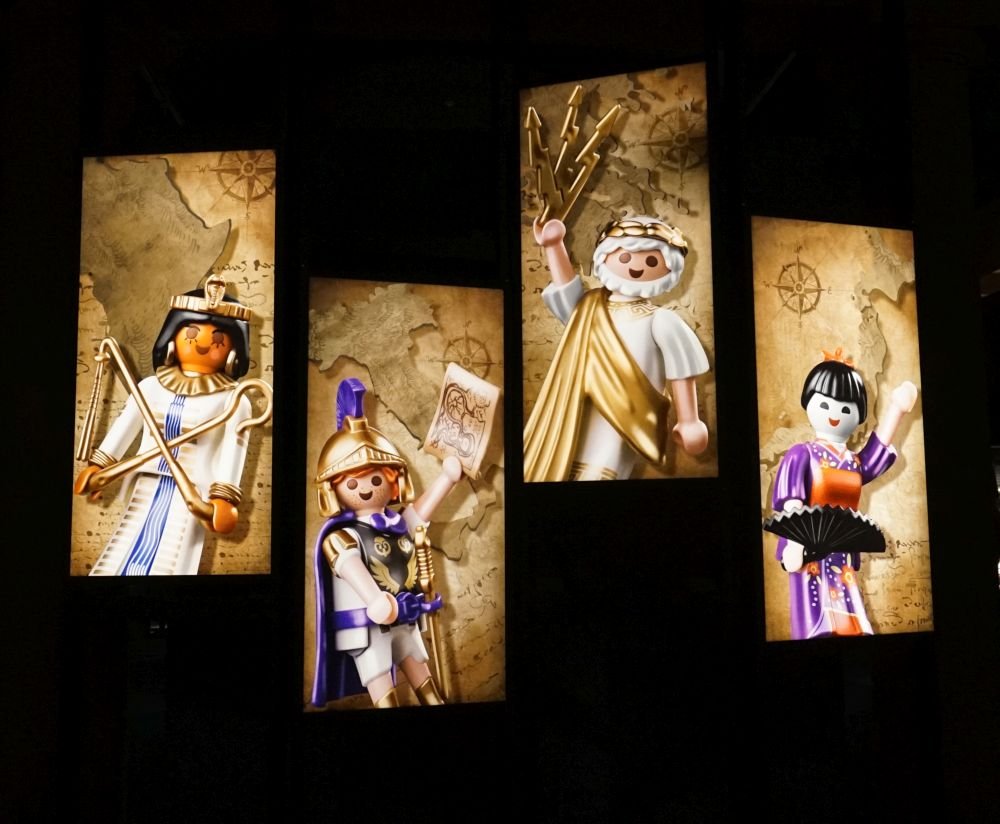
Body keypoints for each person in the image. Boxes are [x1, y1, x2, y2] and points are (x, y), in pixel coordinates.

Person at [74, 274, 257, 576]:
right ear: (172, 337)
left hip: (192, 495)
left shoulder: (234, 400)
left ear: (233, 350)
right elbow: (124, 429)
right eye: (192, 332)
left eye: (217, 339)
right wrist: (100, 466)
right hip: (143, 484)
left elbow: (232, 453)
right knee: (122, 551)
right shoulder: (150, 388)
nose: (202, 343)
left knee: (171, 561)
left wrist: (223, 499)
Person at [312, 378, 462, 709]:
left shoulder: (397, 524)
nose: (366, 488)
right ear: (333, 490)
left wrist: (447, 479)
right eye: (353, 483)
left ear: (394, 480)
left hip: (405, 623)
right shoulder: (341, 537)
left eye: (376, 479)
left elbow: (420, 514)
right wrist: (376, 600)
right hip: (369, 630)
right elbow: (350, 567)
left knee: (429, 692)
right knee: (385, 700)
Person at [523, 215, 710, 482]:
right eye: (625, 257)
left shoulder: (661, 320)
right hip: (573, 414)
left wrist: (689, 421)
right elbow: (566, 290)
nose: (636, 267)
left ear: (670, 269)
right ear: (605, 257)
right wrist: (554, 245)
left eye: (651, 261)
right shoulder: (588, 309)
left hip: (624, 421)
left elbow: (682, 370)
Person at [771, 350, 917, 638]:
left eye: (846, 409)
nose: (835, 414)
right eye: (826, 404)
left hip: (843, 554)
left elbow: (873, 458)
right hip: (809, 552)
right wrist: (794, 544)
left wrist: (896, 410)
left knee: (851, 624)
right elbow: (791, 503)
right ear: (809, 402)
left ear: (858, 415)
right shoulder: (801, 453)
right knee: (815, 624)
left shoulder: (852, 462)